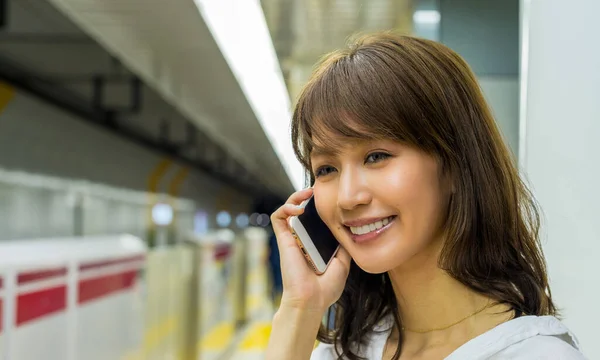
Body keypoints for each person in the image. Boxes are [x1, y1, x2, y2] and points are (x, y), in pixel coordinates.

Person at [266, 32, 587, 360]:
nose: (348, 198)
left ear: (455, 166)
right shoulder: (341, 352)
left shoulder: (538, 355)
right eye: (326, 169)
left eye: (376, 156)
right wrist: (300, 306)